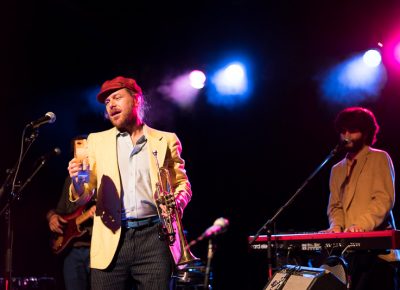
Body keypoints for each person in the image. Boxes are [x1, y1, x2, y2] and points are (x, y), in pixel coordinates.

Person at [67, 76, 193, 290]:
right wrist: (78, 182)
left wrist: (176, 203)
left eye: (117, 97)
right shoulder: (96, 141)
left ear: (136, 100)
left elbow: (183, 185)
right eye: (107, 102)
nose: (111, 105)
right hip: (111, 239)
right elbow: (85, 193)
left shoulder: (166, 139)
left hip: (155, 238)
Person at [323, 106, 399, 290]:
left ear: (365, 133)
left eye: (352, 130)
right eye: (343, 131)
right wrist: (336, 227)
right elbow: (335, 206)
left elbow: (383, 199)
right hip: (349, 255)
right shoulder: (337, 169)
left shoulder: (379, 158)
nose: (346, 136)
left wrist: (361, 227)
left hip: (378, 256)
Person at [46, 135, 95, 290]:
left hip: (97, 250)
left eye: (83, 148)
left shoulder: (102, 176)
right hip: (71, 251)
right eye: (77, 150)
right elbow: (58, 211)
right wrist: (52, 217)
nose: (80, 153)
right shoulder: (69, 179)